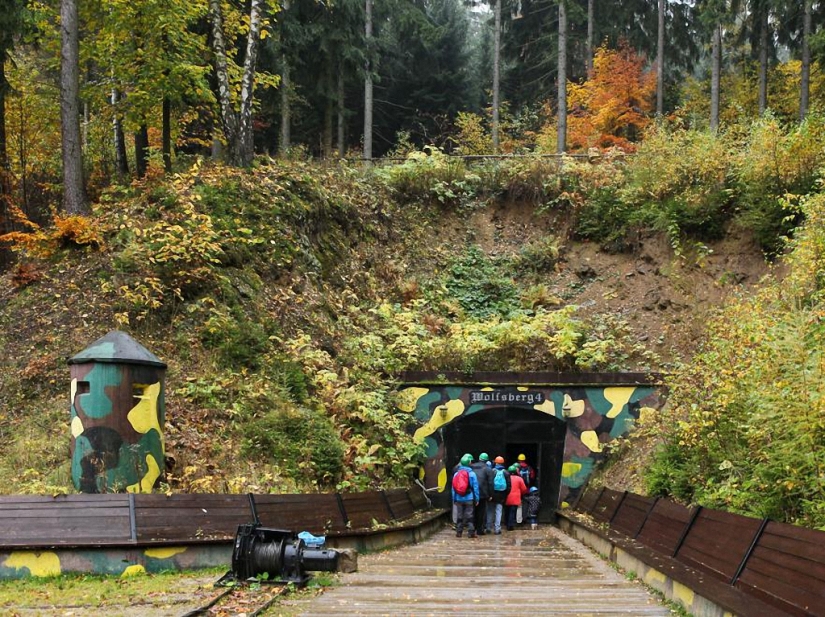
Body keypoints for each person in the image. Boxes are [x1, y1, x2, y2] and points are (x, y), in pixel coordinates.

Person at [452, 453, 480, 538]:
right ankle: (471, 532)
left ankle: (459, 532)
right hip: (469, 497)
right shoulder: (472, 474)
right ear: (469, 462)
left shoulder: (456, 474)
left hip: (459, 498)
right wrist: (477, 499)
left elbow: (453, 488)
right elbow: (475, 487)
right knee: (470, 515)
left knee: (459, 515)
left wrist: (454, 499)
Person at [471, 453, 495, 535]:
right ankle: (479, 530)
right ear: (487, 460)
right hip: (483, 494)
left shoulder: (471, 467)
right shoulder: (488, 469)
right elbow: (491, 483)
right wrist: (490, 495)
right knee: (481, 512)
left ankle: (472, 528)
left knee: (472, 511)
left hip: (471, 493)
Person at [488, 455, 510, 534]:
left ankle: (488, 527)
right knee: (499, 511)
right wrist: (505, 494)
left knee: (490, 510)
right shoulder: (506, 472)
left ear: (496, 462)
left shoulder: (492, 471)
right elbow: (509, 486)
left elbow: (490, 484)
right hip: (501, 494)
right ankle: (497, 529)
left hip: (493, 494)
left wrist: (490, 494)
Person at [505, 464, 528, 531]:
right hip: (515, 498)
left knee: (507, 511)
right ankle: (510, 525)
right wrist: (522, 494)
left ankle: (506, 523)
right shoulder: (519, 479)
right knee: (512, 511)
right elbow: (524, 489)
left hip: (507, 497)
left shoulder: (506, 478)